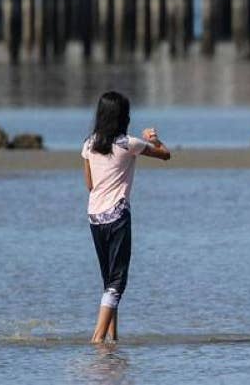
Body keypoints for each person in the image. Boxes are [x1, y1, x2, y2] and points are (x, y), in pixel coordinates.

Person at [81, 91, 171, 343]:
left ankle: (113, 339)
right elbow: (166, 155)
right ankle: (98, 339)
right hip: (118, 215)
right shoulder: (129, 143)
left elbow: (89, 184)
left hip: (95, 216)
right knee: (118, 282)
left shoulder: (88, 144)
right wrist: (154, 139)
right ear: (123, 117)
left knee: (108, 281)